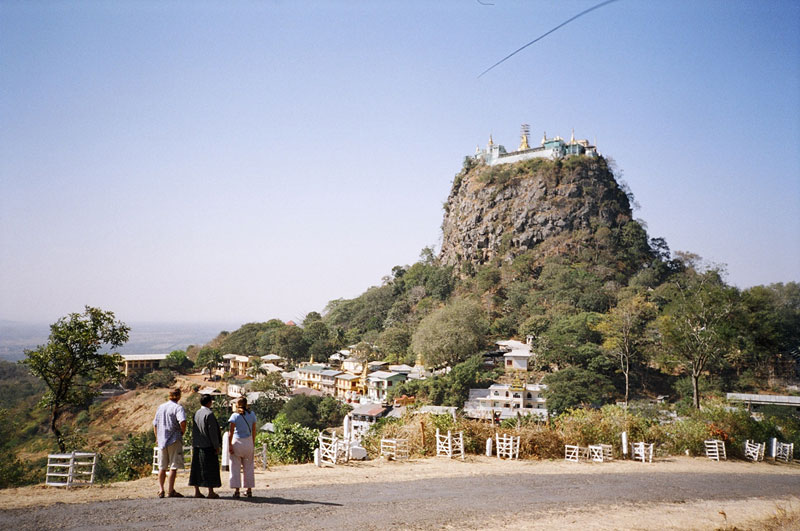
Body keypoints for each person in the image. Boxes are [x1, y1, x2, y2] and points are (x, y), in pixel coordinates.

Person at [153, 388, 187, 498]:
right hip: (174, 439)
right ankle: (170, 490)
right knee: (173, 466)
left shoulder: (161, 407)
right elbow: (182, 421)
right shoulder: (178, 408)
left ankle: (160, 489)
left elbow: (155, 424)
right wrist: (182, 432)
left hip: (162, 440)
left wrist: (157, 437)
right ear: (179, 396)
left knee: (162, 467)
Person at [188, 393, 222, 498]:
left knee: (196, 469)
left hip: (197, 445)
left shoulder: (196, 413)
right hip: (208, 446)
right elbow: (212, 432)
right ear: (209, 402)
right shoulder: (209, 414)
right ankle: (210, 492)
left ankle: (197, 491)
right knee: (209, 468)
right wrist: (216, 446)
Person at [227, 396, 257, 498]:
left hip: (237, 442)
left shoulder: (234, 416)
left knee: (235, 467)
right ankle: (248, 490)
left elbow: (231, 432)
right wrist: (252, 443)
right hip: (248, 441)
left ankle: (236, 490)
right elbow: (253, 431)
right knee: (248, 467)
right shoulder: (252, 414)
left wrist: (230, 445)